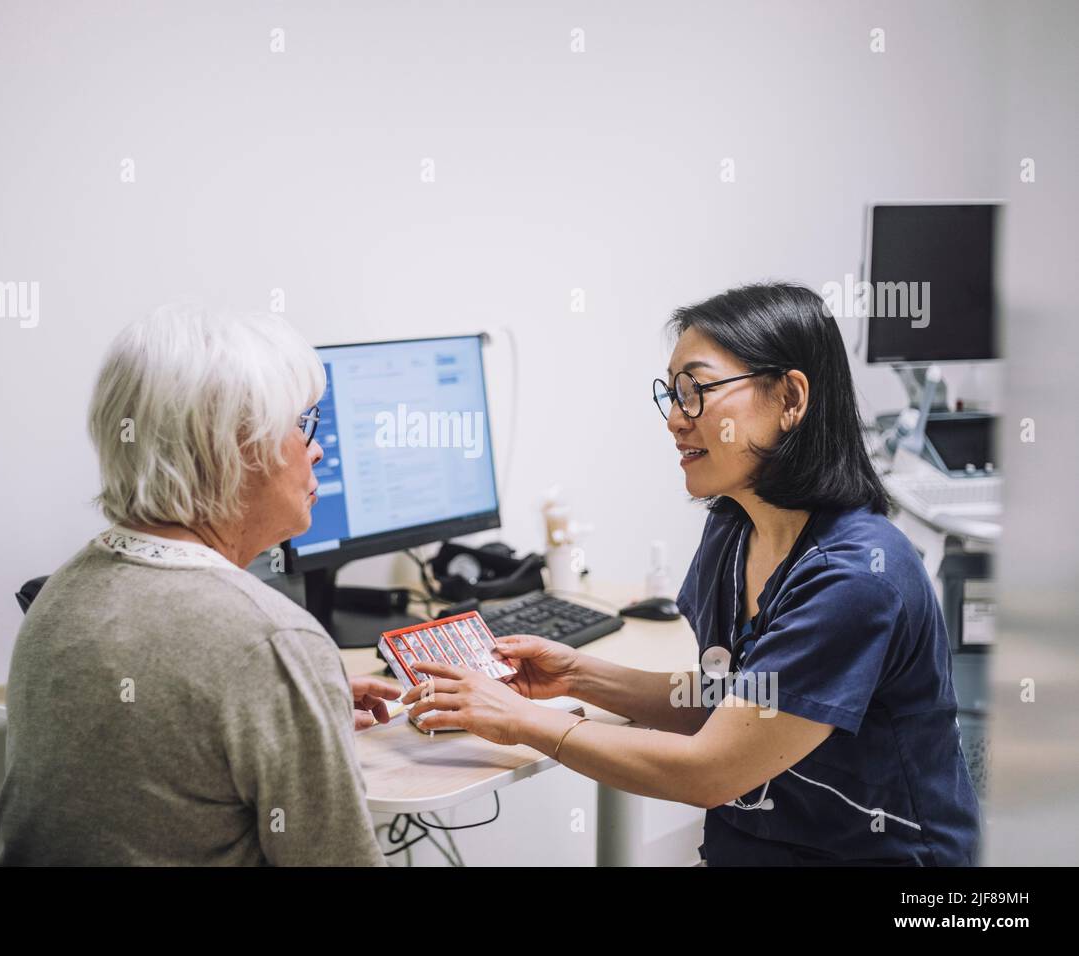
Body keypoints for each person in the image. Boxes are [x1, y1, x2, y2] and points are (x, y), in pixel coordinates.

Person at [403, 283, 981, 865]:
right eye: (672, 395)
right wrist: (580, 676)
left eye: (696, 391)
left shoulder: (855, 580)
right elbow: (736, 702)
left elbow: (712, 771)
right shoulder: (734, 532)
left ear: (790, 398)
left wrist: (522, 720)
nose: (676, 420)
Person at [0, 303, 399, 866]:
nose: (318, 448)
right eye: (302, 424)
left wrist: (298, 714)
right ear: (235, 448)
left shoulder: (60, 591)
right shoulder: (273, 641)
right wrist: (291, 689)